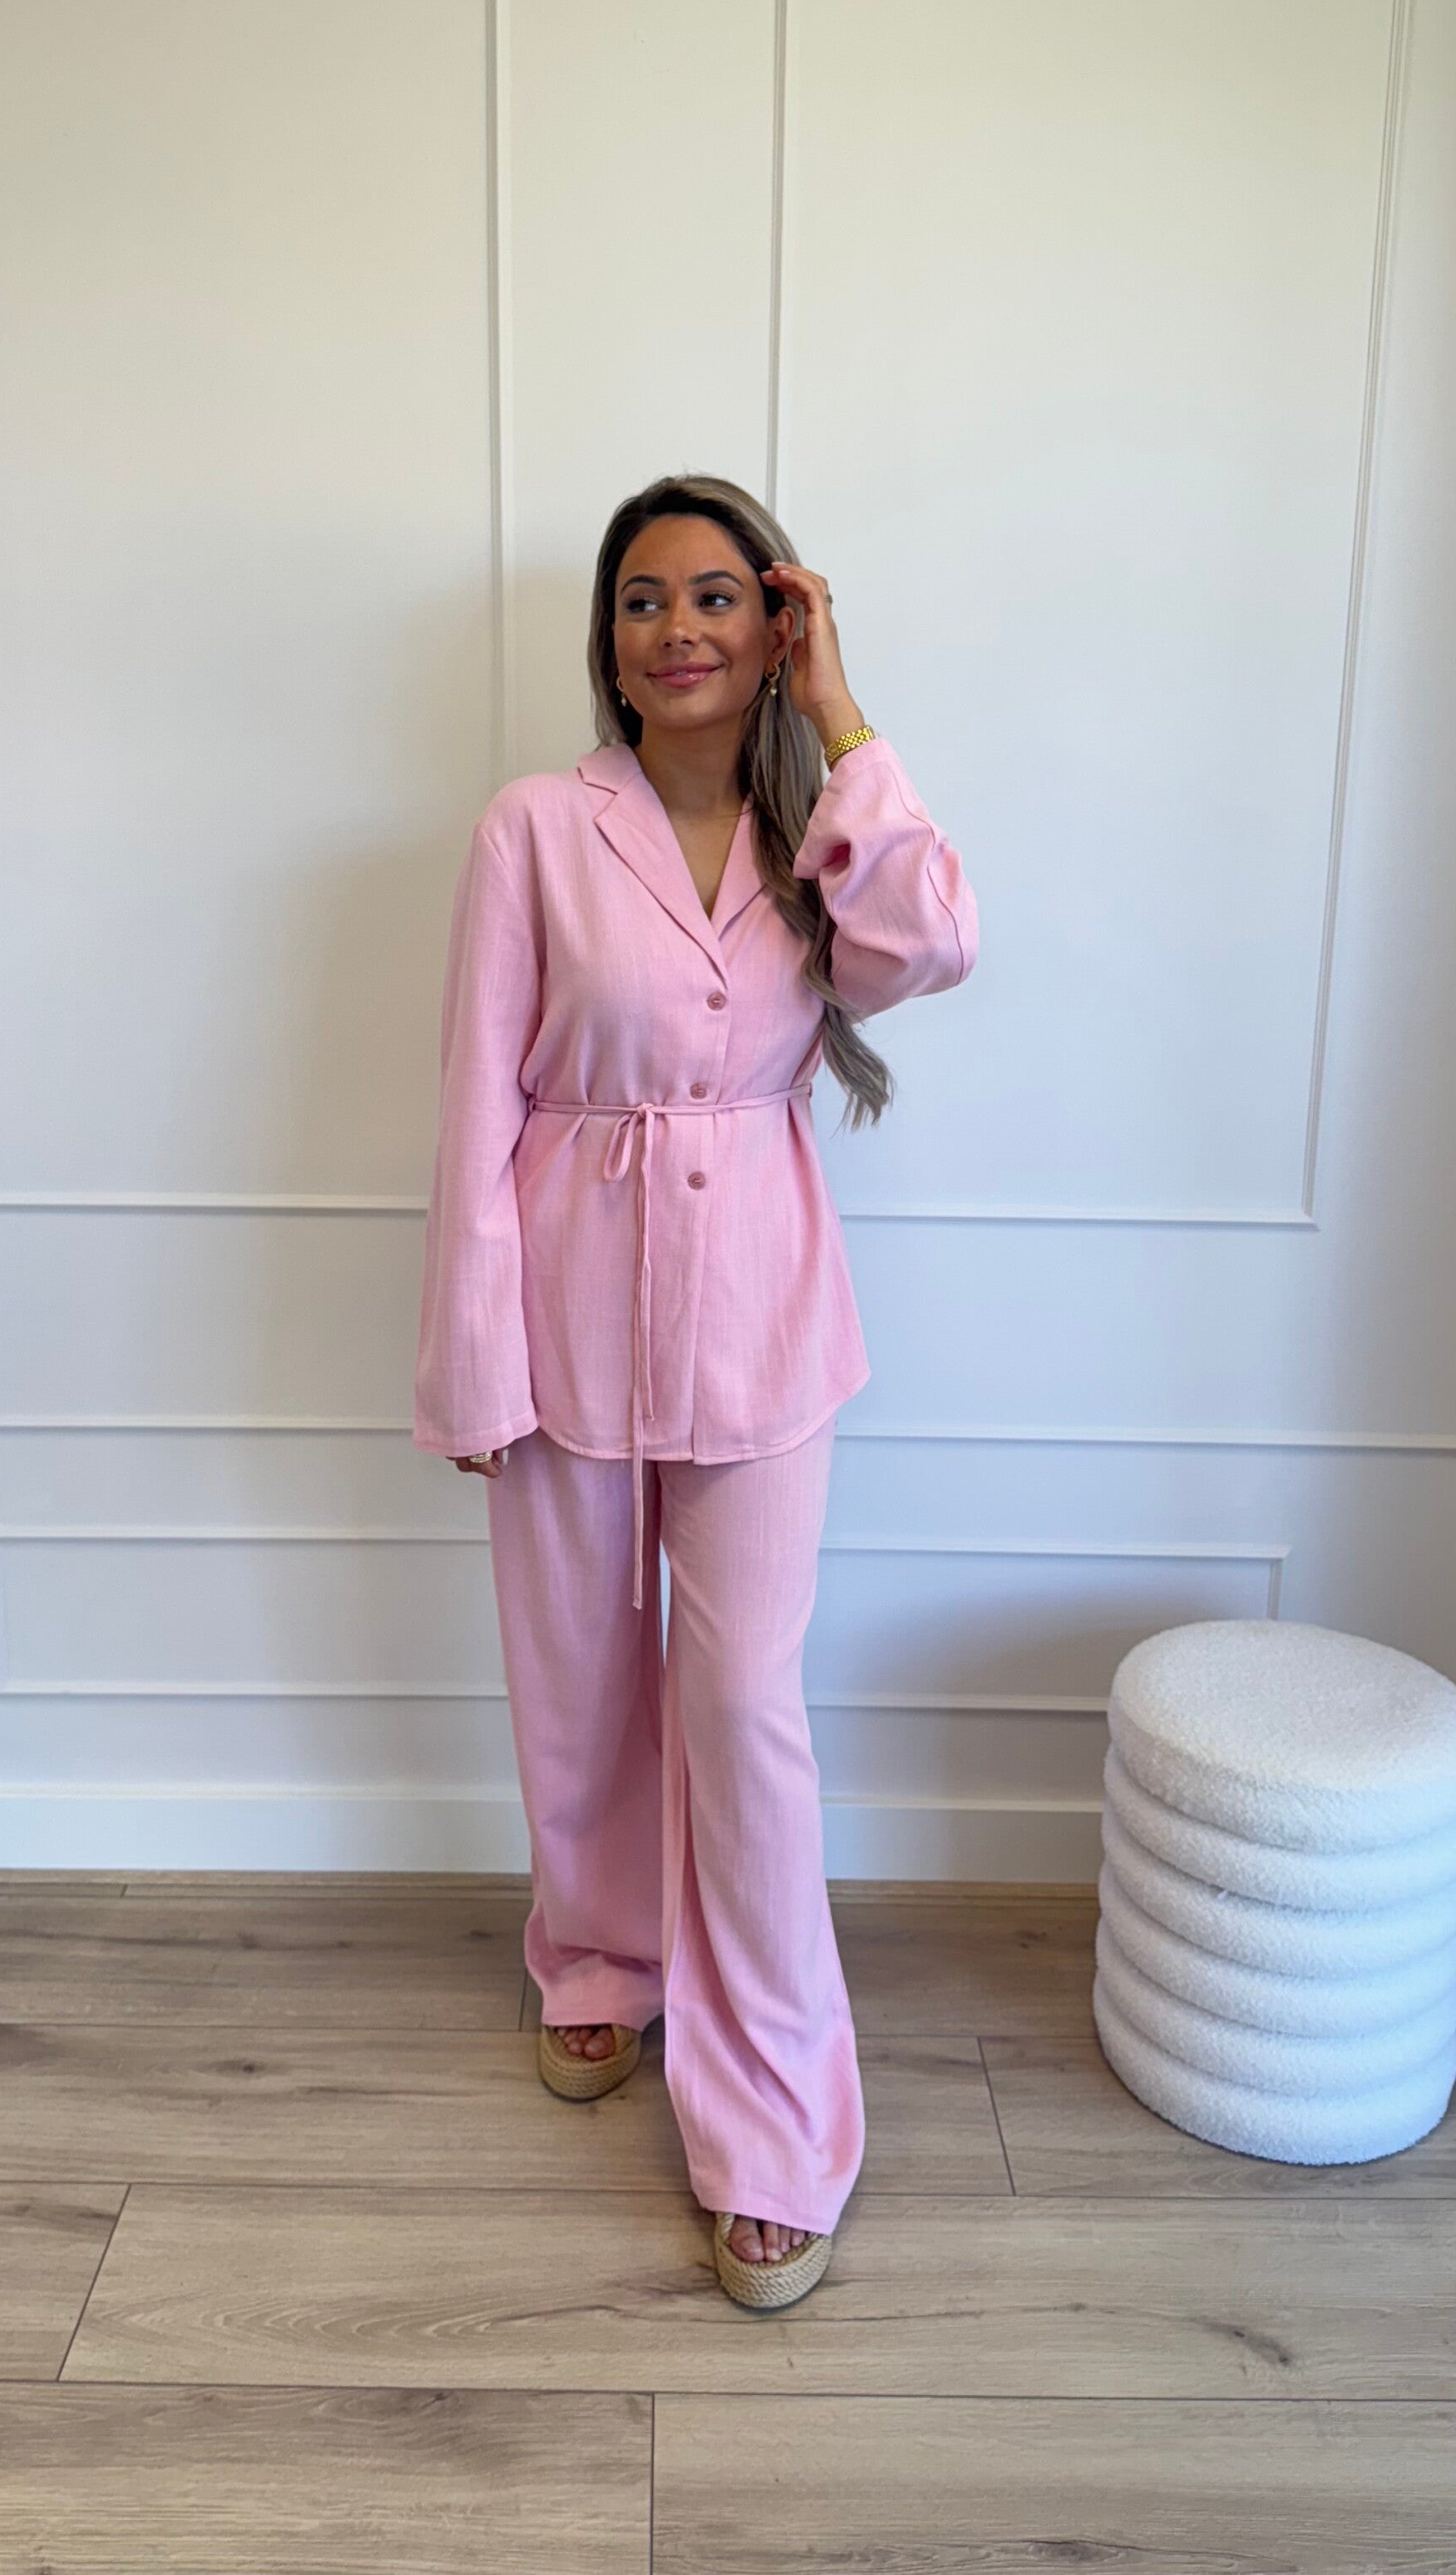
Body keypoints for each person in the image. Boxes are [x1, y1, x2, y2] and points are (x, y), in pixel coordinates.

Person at [414, 471, 977, 2309]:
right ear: (611, 635)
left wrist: (842, 710)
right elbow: (478, 1101)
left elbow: (936, 940)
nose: (679, 629)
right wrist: (474, 1354)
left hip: (761, 1318)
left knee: (741, 1713)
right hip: (561, 1299)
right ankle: (596, 1959)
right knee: (579, 1672)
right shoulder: (535, 826)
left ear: (774, 621)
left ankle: (780, 2123)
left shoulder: (822, 835)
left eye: (719, 596)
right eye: (646, 598)